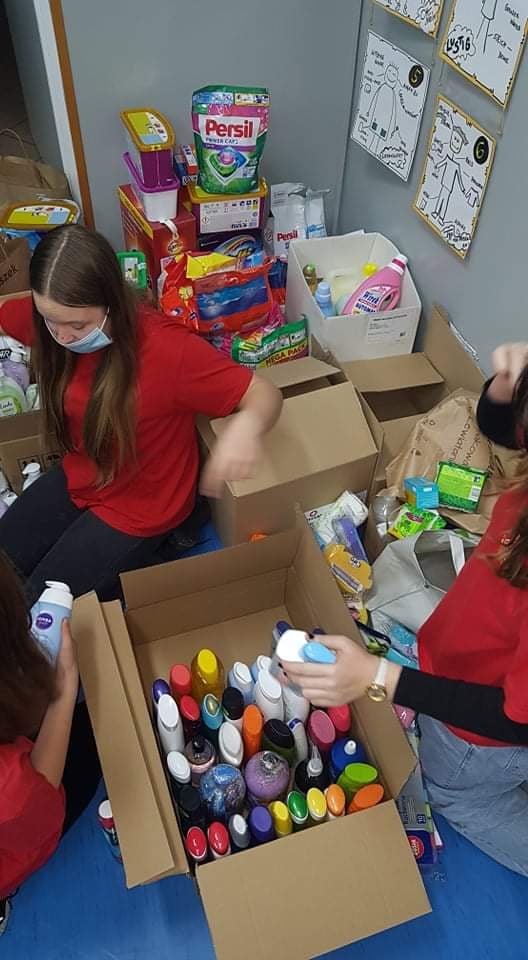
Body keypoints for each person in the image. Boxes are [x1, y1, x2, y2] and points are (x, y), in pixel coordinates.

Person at [283, 342, 528, 878]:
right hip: (472, 663)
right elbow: (498, 426)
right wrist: (507, 388)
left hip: (484, 734)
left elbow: (513, 718)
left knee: (454, 792)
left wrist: (378, 677)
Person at [0, 225, 282, 604]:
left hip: (144, 504)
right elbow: (11, 315)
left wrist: (246, 429)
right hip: (84, 472)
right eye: (51, 321)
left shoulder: (168, 351)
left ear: (112, 305)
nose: (62, 337)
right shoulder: (50, 319)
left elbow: (263, 394)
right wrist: (51, 322)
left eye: (78, 325)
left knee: (36, 605)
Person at [0, 551, 101, 933]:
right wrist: (64, 688)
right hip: (25, 817)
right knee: (92, 744)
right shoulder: (11, 795)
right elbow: (41, 796)